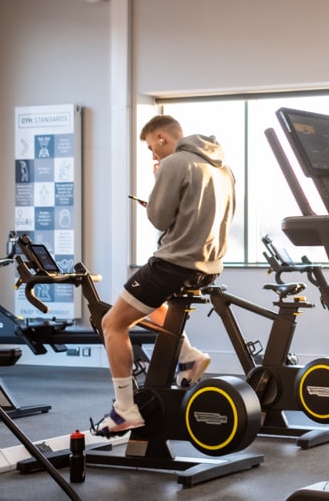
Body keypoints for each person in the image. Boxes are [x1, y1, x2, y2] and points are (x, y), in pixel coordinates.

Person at [92, 115, 237, 436]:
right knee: (147, 308)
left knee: (112, 323)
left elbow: (158, 218)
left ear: (160, 137)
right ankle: (189, 356)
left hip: (174, 263)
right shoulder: (223, 169)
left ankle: (124, 410)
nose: (152, 155)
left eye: (150, 148)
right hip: (208, 266)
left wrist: (159, 182)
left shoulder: (175, 163)